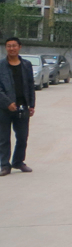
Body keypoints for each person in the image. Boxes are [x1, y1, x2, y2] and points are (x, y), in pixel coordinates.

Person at [0, 37, 36, 177]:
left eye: (14, 46)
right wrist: (7, 102)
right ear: (6, 48)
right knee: (3, 138)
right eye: (9, 46)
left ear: (19, 47)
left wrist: (31, 105)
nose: (12, 48)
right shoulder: (1, 65)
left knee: (22, 136)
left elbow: (30, 86)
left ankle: (18, 161)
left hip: (22, 107)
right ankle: (4, 165)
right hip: (4, 108)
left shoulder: (26, 65)